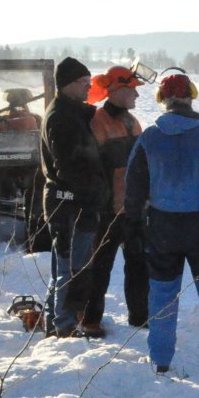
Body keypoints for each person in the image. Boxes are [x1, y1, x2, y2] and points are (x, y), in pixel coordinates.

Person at [124, 71, 199, 375]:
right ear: (191, 96)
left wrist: (133, 230)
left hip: (162, 227)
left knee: (162, 293)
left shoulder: (149, 138)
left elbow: (134, 190)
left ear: (162, 100)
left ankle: (160, 360)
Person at [40, 57, 110, 337]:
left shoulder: (72, 112)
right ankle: (64, 326)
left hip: (69, 202)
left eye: (89, 81)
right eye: (83, 82)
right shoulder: (61, 118)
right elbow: (68, 166)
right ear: (67, 85)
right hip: (70, 204)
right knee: (72, 268)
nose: (88, 86)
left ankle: (54, 319)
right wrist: (94, 193)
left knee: (64, 265)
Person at [81, 66, 149, 335]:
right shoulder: (98, 122)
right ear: (117, 90)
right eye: (132, 89)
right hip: (107, 211)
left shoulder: (133, 121)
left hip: (134, 209)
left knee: (138, 266)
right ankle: (90, 319)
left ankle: (140, 317)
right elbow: (92, 169)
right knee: (99, 268)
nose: (136, 95)